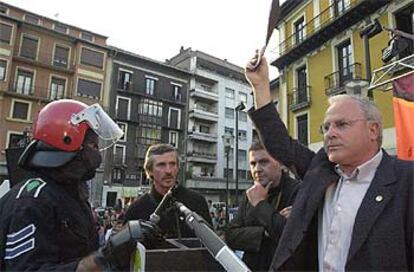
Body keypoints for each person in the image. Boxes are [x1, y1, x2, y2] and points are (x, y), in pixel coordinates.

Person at [244, 51, 414, 271]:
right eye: (326, 127)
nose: (330, 134)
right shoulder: (321, 170)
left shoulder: (406, 180)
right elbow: (279, 144)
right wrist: (260, 87)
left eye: (341, 124)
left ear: (373, 130)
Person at [0, 100, 160, 271]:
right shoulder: (31, 200)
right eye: (93, 145)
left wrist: (120, 243)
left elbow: (81, 251)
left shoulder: (69, 193)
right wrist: (106, 257)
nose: (97, 154)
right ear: (67, 140)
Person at [225, 141, 300, 271]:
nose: (257, 169)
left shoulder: (297, 191)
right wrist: (264, 232)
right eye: (253, 164)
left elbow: (288, 235)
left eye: (264, 162)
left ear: (281, 163)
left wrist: (260, 204)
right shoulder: (250, 194)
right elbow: (231, 235)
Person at [125, 143, 212, 238]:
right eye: (161, 165)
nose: (168, 171)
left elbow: (210, 244)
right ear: (149, 170)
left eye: (172, 164)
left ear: (178, 167)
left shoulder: (197, 201)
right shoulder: (136, 209)